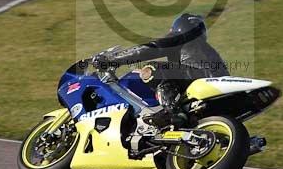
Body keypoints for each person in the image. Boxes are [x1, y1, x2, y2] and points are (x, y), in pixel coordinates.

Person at [95, 14, 228, 126]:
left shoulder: (180, 37)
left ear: (178, 27)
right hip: (217, 88)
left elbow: (150, 49)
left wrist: (112, 60)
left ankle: (172, 112)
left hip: (201, 79)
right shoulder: (207, 49)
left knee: (151, 69)